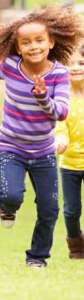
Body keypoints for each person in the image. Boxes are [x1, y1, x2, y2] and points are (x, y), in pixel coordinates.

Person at [0, 4, 84, 268]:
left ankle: (37, 257)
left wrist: (42, 97)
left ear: (51, 42)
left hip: (44, 152)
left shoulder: (59, 74)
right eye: (26, 42)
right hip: (11, 147)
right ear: (17, 46)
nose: (33, 46)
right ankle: (7, 207)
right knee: (11, 195)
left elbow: (59, 113)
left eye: (39, 40)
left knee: (49, 210)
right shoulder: (10, 66)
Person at [55, 45, 84, 259]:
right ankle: (76, 245)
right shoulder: (62, 98)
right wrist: (61, 139)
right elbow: (60, 126)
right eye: (70, 64)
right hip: (69, 165)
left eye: (80, 63)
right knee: (71, 211)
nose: (75, 68)